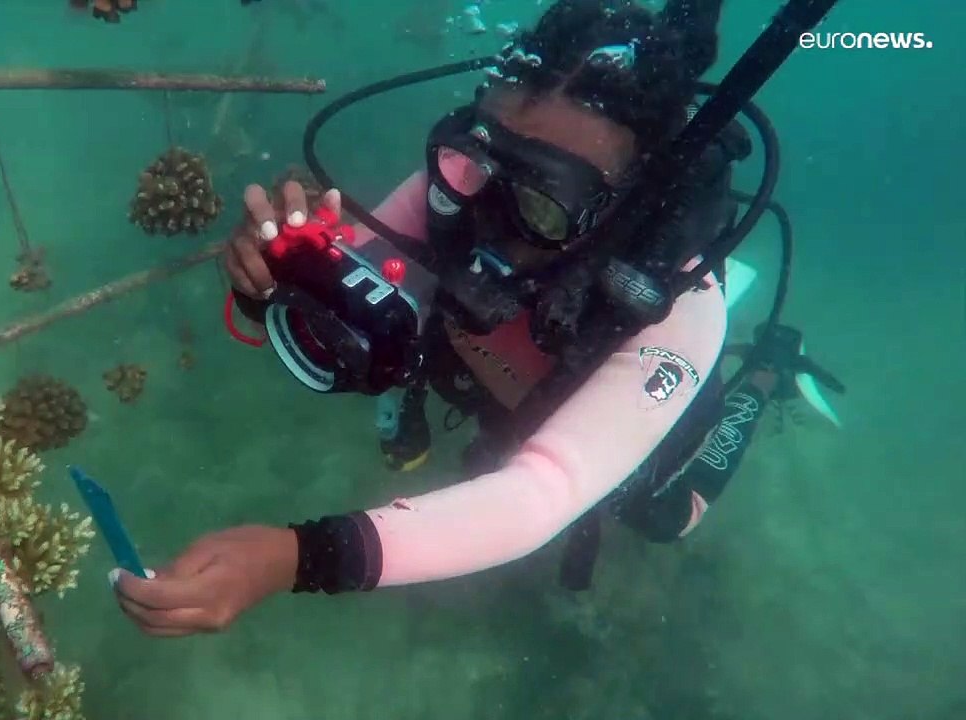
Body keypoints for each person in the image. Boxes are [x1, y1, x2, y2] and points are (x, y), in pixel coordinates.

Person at [112, 0, 826, 636]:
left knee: (659, 517)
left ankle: (765, 374)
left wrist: (290, 558)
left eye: (542, 199)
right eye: (474, 165)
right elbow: (344, 305)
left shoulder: (678, 309)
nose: (485, 212)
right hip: (503, 391)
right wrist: (270, 282)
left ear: (624, 204)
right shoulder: (449, 193)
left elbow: (541, 494)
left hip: (617, 413)